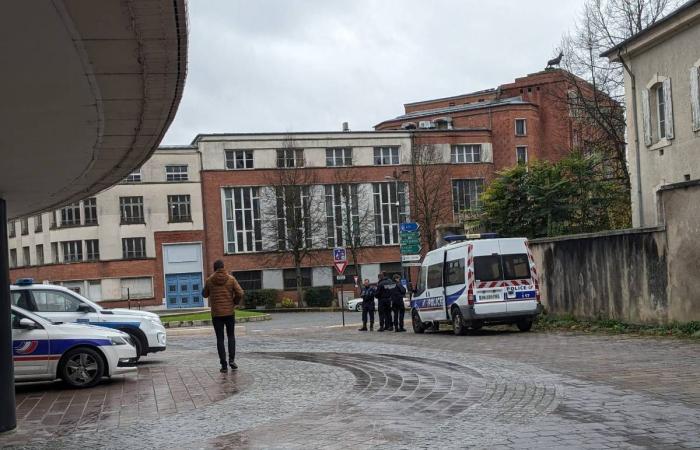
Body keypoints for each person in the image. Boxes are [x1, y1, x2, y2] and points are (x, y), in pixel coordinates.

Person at [202, 259, 244, 373]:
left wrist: (206, 287)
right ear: (223, 267)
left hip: (216, 314)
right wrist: (234, 302)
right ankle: (232, 360)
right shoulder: (231, 279)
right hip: (229, 313)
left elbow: (204, 295)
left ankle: (223, 365)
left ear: (214, 268)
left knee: (220, 339)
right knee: (231, 336)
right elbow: (240, 293)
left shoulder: (210, 280)